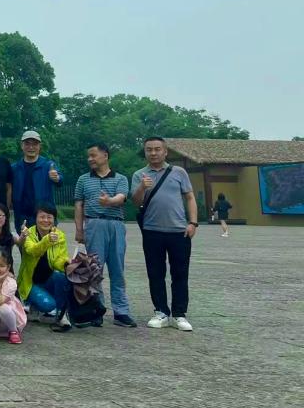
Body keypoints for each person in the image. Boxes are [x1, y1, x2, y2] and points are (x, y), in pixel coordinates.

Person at [132, 136, 198, 332]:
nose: (153, 153)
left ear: (165, 151)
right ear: (145, 152)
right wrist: (142, 187)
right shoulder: (139, 175)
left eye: (157, 149)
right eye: (149, 150)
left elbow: (190, 197)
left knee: (180, 273)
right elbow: (136, 202)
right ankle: (160, 311)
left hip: (179, 231)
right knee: (155, 273)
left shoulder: (179, 172)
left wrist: (193, 223)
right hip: (152, 231)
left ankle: (179, 314)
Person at [74, 143, 137, 328]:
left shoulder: (120, 178)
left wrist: (109, 201)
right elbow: (79, 205)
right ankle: (97, 309)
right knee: (94, 270)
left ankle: (121, 311)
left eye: (93, 155)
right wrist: (79, 229)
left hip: (116, 225)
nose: (90, 159)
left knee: (117, 269)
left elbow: (121, 197)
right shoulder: (83, 179)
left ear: (105, 156)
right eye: (88, 156)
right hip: (93, 224)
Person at [17, 202, 71, 330]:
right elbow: (32, 251)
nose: (45, 220)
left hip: (48, 280)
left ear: (54, 219)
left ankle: (61, 315)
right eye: (42, 217)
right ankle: (32, 303)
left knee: (61, 276)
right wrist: (47, 240)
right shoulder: (28, 233)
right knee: (48, 305)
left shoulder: (60, 235)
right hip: (31, 282)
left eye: (49, 217)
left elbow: (58, 260)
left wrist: (67, 263)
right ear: (36, 218)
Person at [11, 130, 62, 231]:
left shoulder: (48, 165)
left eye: (34, 144)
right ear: (22, 146)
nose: (31, 147)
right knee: (24, 241)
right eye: (27, 144)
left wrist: (57, 178)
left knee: (47, 241)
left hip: (45, 217)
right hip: (22, 217)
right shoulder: (14, 168)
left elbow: (60, 180)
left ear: (40, 146)